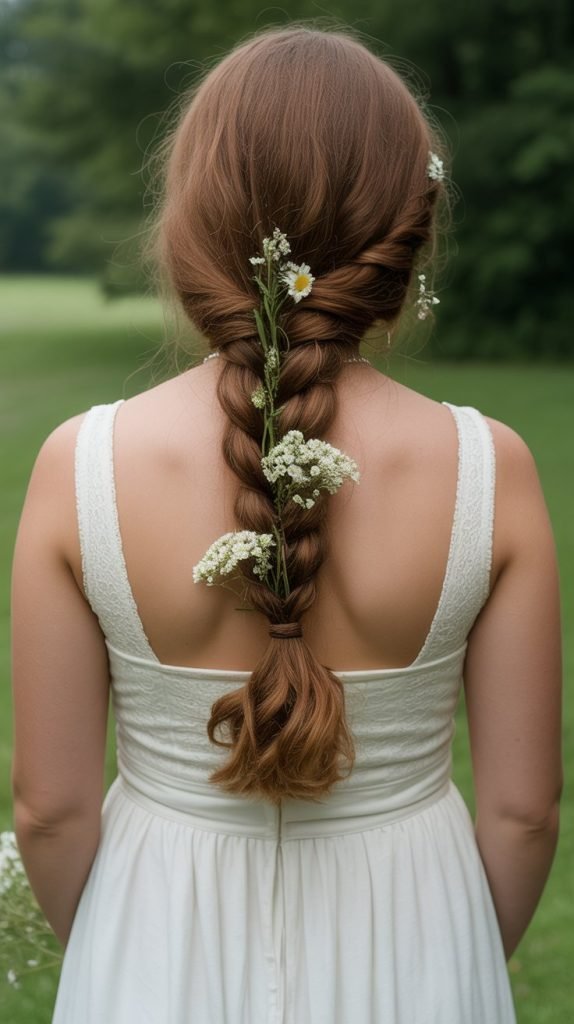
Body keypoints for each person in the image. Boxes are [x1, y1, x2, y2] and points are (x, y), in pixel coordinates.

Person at [10, 25, 562, 1024]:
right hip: (417, 931)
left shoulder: (79, 465)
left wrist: (119, 949)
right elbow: (523, 813)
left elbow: (48, 811)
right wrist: (453, 954)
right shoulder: (491, 469)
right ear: (406, 227)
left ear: (190, 220)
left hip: (155, 933)